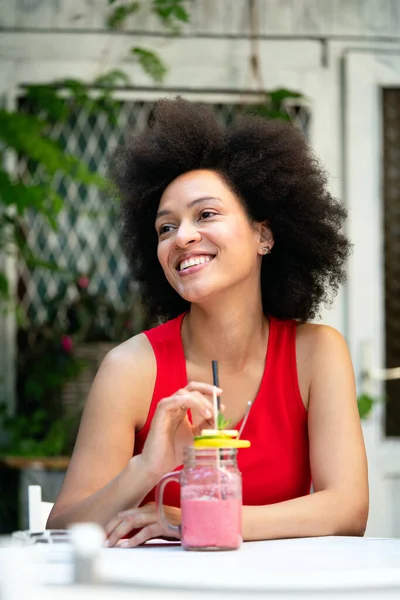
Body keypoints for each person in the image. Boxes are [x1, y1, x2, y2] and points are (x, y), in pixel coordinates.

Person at [47, 97, 369, 546]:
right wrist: (145, 469)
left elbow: (348, 507)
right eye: (165, 228)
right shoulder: (130, 368)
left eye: (206, 214)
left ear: (264, 234)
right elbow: (62, 528)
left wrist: (197, 520)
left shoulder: (316, 352)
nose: (183, 237)